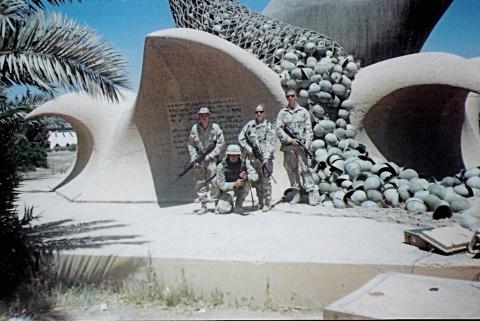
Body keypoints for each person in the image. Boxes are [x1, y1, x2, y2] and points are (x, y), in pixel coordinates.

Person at [275, 89, 317, 205]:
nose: (290, 98)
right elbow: (278, 129)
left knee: (305, 169)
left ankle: (311, 193)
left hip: (301, 146)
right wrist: (289, 140)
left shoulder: (303, 112)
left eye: (292, 96)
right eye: (288, 96)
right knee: (290, 169)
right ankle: (297, 192)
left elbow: (309, 130)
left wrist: (306, 144)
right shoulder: (283, 113)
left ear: (296, 97)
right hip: (289, 146)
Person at [238, 104, 276, 212]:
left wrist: (266, 157)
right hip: (252, 159)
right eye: (257, 112)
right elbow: (241, 137)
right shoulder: (250, 125)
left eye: (261, 112)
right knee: (255, 180)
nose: (259, 114)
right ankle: (260, 202)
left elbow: (271, 143)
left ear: (264, 113)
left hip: (264, 158)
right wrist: (247, 147)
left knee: (266, 181)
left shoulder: (269, 126)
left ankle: (267, 203)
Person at [187, 107, 225, 215]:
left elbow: (221, 143)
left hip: (211, 160)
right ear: (199, 116)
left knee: (214, 182)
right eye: (201, 115)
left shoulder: (215, 128)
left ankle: (216, 204)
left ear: (209, 116)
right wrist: (194, 157)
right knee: (200, 182)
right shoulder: (195, 128)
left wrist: (211, 155)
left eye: (206, 115)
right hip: (200, 160)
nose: (204, 117)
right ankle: (203, 205)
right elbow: (191, 144)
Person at [215, 144, 258, 215]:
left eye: (235, 155)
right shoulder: (221, 166)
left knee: (247, 183)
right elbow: (221, 184)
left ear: (239, 155)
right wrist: (234, 184)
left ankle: (239, 204)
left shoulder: (244, 163)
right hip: (228, 189)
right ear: (228, 155)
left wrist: (246, 176)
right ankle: (227, 203)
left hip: (240, 188)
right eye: (231, 155)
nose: (233, 157)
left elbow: (255, 176)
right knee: (223, 210)